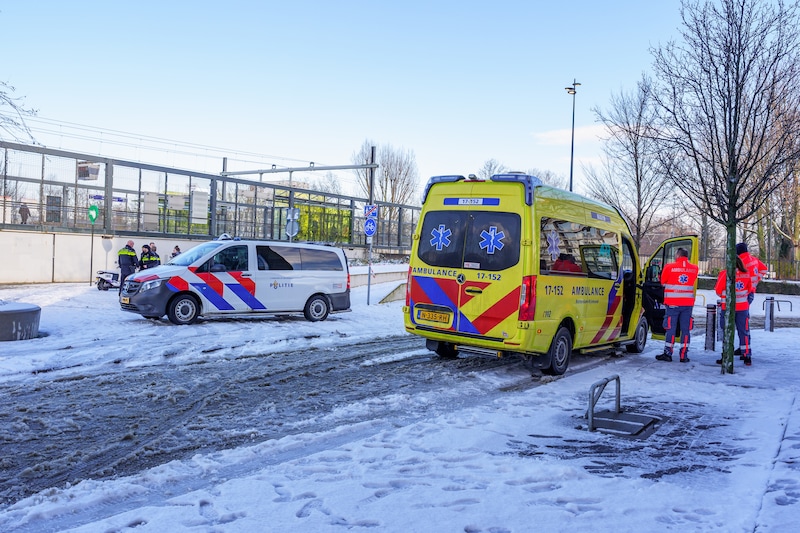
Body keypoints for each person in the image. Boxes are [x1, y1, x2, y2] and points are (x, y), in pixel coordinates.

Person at [656, 247, 699, 363]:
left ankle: (668, 353)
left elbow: (663, 282)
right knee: (686, 330)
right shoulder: (694, 268)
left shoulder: (669, 267)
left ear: (678, 255)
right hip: (687, 304)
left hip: (672, 304)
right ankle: (683, 355)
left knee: (670, 328)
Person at [715, 256, 753, 366]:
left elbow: (718, 290)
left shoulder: (725, 274)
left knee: (727, 331)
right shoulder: (746, 274)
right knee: (744, 332)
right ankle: (747, 355)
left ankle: (726, 355)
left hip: (728, 308)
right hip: (742, 308)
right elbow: (750, 289)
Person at [737, 242, 767, 307]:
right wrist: (756, 279)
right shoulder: (754, 259)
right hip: (751, 290)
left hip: (742, 291)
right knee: (745, 311)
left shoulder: (741, 261)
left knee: (741, 312)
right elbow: (764, 269)